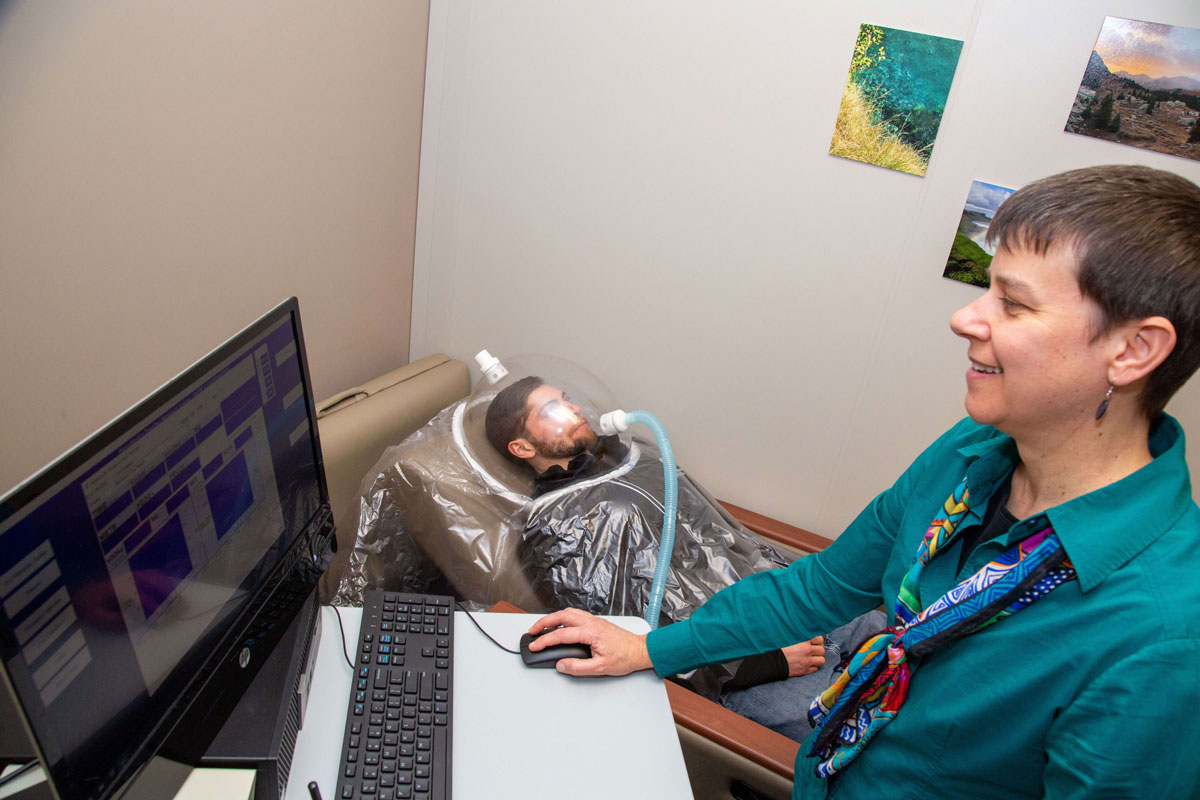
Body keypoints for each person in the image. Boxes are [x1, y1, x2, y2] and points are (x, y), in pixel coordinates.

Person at [524, 164, 1200, 797]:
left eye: (1014, 304)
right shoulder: (973, 453)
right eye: (985, 290)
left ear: (1133, 350)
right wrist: (651, 647)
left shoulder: (1162, 638)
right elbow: (822, 586)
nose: (966, 317)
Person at [485, 376, 884, 740]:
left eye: (567, 400)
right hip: (747, 671)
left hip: (787, 602)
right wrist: (763, 662)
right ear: (521, 447)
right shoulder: (555, 530)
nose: (572, 409)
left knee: (924, 654)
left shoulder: (634, 463)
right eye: (551, 410)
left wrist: (794, 595)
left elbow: (725, 541)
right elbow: (629, 636)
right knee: (879, 737)